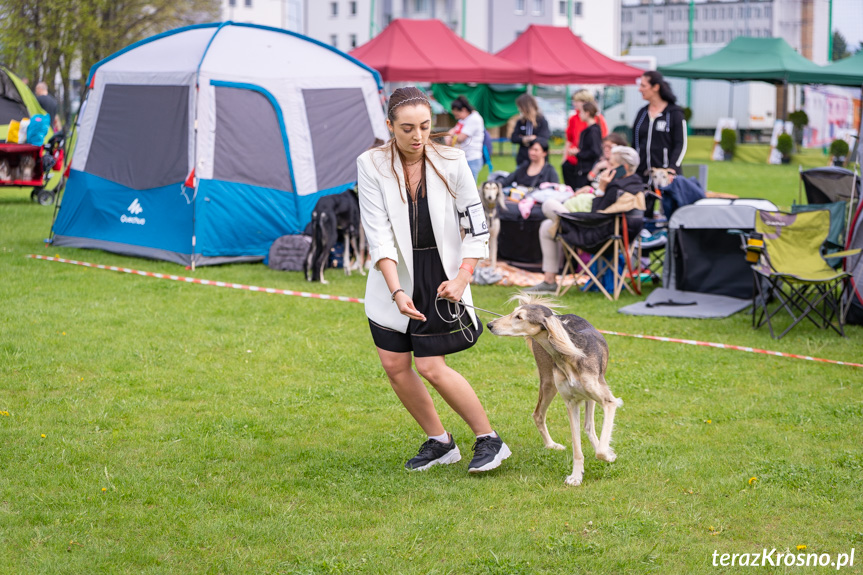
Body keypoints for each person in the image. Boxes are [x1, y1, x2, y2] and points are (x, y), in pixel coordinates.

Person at [356, 86, 511, 474]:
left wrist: (462, 277)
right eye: (407, 128)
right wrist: (395, 290)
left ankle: (490, 439)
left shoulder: (454, 160)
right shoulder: (370, 163)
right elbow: (378, 235)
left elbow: (477, 227)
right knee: (394, 365)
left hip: (443, 275)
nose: (418, 136)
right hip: (392, 276)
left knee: (430, 366)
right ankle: (440, 442)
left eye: (425, 126)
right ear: (390, 126)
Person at [526, 146, 644, 293]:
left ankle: (550, 282)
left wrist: (601, 188)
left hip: (597, 237)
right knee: (547, 226)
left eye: (612, 164)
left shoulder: (616, 186)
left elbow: (597, 212)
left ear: (624, 167)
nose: (608, 167)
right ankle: (549, 281)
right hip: (616, 235)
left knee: (549, 204)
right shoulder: (636, 183)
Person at [632, 70, 687, 185]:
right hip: (642, 175)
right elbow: (635, 144)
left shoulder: (674, 113)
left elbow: (680, 144)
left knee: (667, 203)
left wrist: (672, 168)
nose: (639, 89)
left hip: (666, 176)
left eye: (643, 86)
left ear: (655, 87)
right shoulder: (641, 113)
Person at [562, 89, 608, 189]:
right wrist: (565, 157)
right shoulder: (574, 118)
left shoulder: (597, 122)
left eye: (576, 101)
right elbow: (569, 140)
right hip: (575, 159)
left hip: (587, 161)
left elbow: (601, 144)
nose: (574, 104)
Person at [445, 95, 485, 181]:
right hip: (464, 158)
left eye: (457, 115)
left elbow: (460, 138)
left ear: (464, 110)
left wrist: (450, 137)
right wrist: (449, 135)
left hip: (472, 159)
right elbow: (453, 131)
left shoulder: (474, 119)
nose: (456, 118)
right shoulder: (464, 119)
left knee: (469, 188)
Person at [509, 93, 551, 166]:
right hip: (522, 160)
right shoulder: (520, 121)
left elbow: (544, 139)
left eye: (520, 107)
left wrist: (531, 139)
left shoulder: (541, 121)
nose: (519, 109)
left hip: (539, 161)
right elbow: (514, 138)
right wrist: (525, 139)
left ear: (526, 106)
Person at [570, 102, 603, 190]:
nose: (579, 115)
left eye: (581, 112)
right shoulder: (589, 130)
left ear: (587, 113)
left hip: (588, 170)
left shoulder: (593, 131)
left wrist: (578, 154)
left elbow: (595, 152)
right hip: (584, 169)